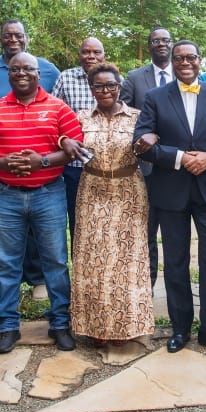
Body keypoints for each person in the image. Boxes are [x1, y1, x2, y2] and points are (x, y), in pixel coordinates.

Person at [133, 40, 206, 354]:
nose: (185, 62)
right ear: (172, 62)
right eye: (179, 58)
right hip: (170, 190)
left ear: (200, 60)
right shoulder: (155, 98)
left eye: (191, 57)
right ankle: (180, 328)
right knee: (175, 262)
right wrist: (179, 158)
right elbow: (140, 142)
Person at [0, 52, 82, 354]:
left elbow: (76, 147)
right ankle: (7, 326)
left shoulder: (58, 107)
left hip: (49, 193)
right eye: (15, 69)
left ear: (38, 74)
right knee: (6, 263)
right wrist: (0, 162)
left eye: (28, 68)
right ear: (9, 74)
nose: (21, 73)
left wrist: (42, 161)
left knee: (55, 261)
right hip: (6, 195)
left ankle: (60, 323)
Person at [0, 20, 60, 300]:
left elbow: (58, 112)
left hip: (43, 163)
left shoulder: (47, 69)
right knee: (8, 232)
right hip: (0, 161)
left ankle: (38, 278)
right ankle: (9, 298)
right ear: (0, 39)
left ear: (27, 38)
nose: (13, 40)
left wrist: (44, 158)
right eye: (7, 35)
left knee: (41, 231)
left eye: (18, 35)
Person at [70, 63, 155, 344]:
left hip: (129, 191)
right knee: (92, 259)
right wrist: (62, 139)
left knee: (127, 260)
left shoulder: (138, 117)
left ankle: (125, 327)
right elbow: (63, 140)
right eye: (99, 86)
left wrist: (152, 137)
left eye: (111, 85)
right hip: (92, 190)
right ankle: (96, 328)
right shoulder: (81, 117)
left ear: (119, 87)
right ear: (91, 89)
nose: (105, 90)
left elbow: (155, 136)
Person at [119, 25, 174, 287]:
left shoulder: (185, 75)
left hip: (178, 166)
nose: (161, 44)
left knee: (175, 234)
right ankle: (146, 289)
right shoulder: (134, 78)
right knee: (146, 231)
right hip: (146, 167)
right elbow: (125, 116)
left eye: (165, 40)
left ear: (171, 44)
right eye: (155, 41)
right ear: (149, 45)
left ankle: (177, 289)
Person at [52, 37, 105, 233]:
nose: (91, 56)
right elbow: (52, 115)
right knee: (78, 221)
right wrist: (63, 140)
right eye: (86, 52)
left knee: (104, 220)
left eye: (96, 52)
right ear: (79, 54)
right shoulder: (66, 78)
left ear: (104, 55)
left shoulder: (114, 79)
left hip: (106, 164)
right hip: (74, 165)